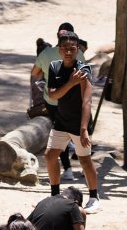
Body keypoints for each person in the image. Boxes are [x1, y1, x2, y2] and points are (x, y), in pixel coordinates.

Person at [44, 32, 101, 213]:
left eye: (72, 48)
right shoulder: (54, 67)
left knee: (84, 160)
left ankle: (94, 196)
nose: (69, 52)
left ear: (78, 49)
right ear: (59, 50)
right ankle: (55, 195)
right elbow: (53, 95)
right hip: (61, 120)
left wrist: (84, 129)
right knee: (50, 156)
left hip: (79, 123)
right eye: (65, 48)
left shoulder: (84, 70)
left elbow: (87, 101)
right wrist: (70, 83)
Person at [32, 23, 87, 181]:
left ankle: (67, 169)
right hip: (74, 101)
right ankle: (84, 166)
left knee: (59, 132)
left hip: (53, 101)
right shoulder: (79, 54)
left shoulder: (46, 53)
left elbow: (35, 73)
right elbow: (86, 76)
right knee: (78, 132)